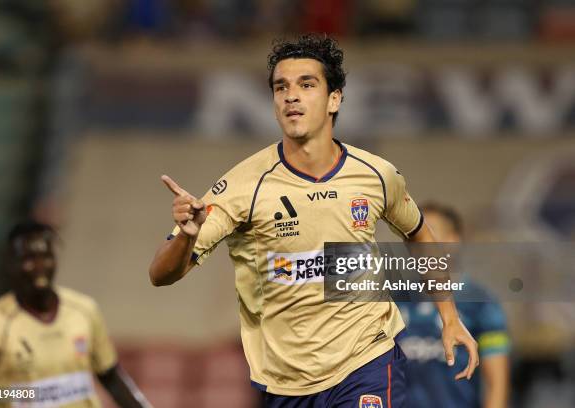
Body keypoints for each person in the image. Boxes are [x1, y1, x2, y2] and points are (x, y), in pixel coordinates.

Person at [149, 34, 479, 407]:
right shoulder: (242, 186)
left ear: (334, 98)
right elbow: (160, 275)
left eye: (306, 85)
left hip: (367, 359)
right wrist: (186, 236)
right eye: (281, 87)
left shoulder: (376, 174)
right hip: (287, 381)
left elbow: (418, 234)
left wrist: (449, 316)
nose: (291, 95)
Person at [0, 221, 151, 408]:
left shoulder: (85, 310)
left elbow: (110, 377)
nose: (39, 266)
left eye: (46, 256)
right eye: (29, 258)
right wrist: (21, 393)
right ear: (11, 263)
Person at [397, 203, 510, 408]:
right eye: (412, 236)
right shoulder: (395, 299)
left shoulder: (481, 303)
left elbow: (497, 385)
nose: (419, 243)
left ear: (453, 241)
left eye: (428, 233)